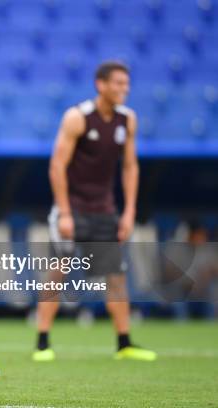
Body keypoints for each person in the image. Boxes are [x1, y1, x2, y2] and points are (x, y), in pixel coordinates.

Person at [33, 61, 157, 362]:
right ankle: (42, 343)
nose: (124, 89)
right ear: (100, 85)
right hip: (72, 209)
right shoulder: (78, 117)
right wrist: (64, 212)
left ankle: (124, 343)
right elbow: (57, 166)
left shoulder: (127, 120)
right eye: (118, 83)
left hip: (105, 211)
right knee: (58, 272)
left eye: (126, 84)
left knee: (116, 276)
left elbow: (129, 166)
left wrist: (128, 212)